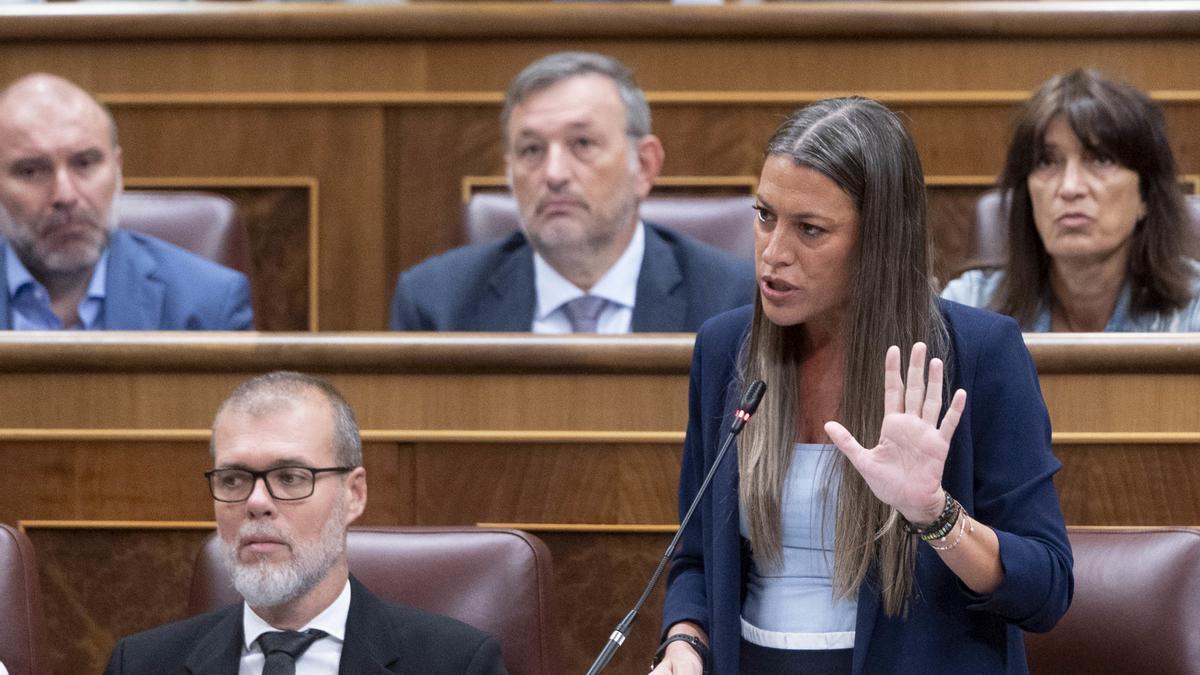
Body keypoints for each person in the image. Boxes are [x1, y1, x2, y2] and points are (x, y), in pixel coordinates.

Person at [653, 98, 1073, 674]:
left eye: (810, 229)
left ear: (878, 242)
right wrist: (685, 641)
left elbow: (1046, 590)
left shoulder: (978, 354)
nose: (774, 253)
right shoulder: (727, 349)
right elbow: (697, 558)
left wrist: (935, 516)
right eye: (764, 215)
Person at [104, 371, 506, 674]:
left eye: (291, 478)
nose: (256, 502)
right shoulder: (141, 663)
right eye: (233, 480)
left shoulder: (457, 664)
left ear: (354, 495)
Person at [389, 51, 753, 332]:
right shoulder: (436, 306)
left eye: (582, 143)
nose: (555, 174)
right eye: (531, 150)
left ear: (643, 165)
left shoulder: (733, 304)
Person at [942, 69, 1200, 331]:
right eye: (1047, 162)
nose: (1070, 187)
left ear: (1146, 194)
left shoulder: (1193, 311)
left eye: (1101, 159)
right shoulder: (968, 307)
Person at [0, 73, 253, 330]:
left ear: (118, 170)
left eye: (85, 163)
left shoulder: (210, 303)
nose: (65, 195)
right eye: (31, 171)